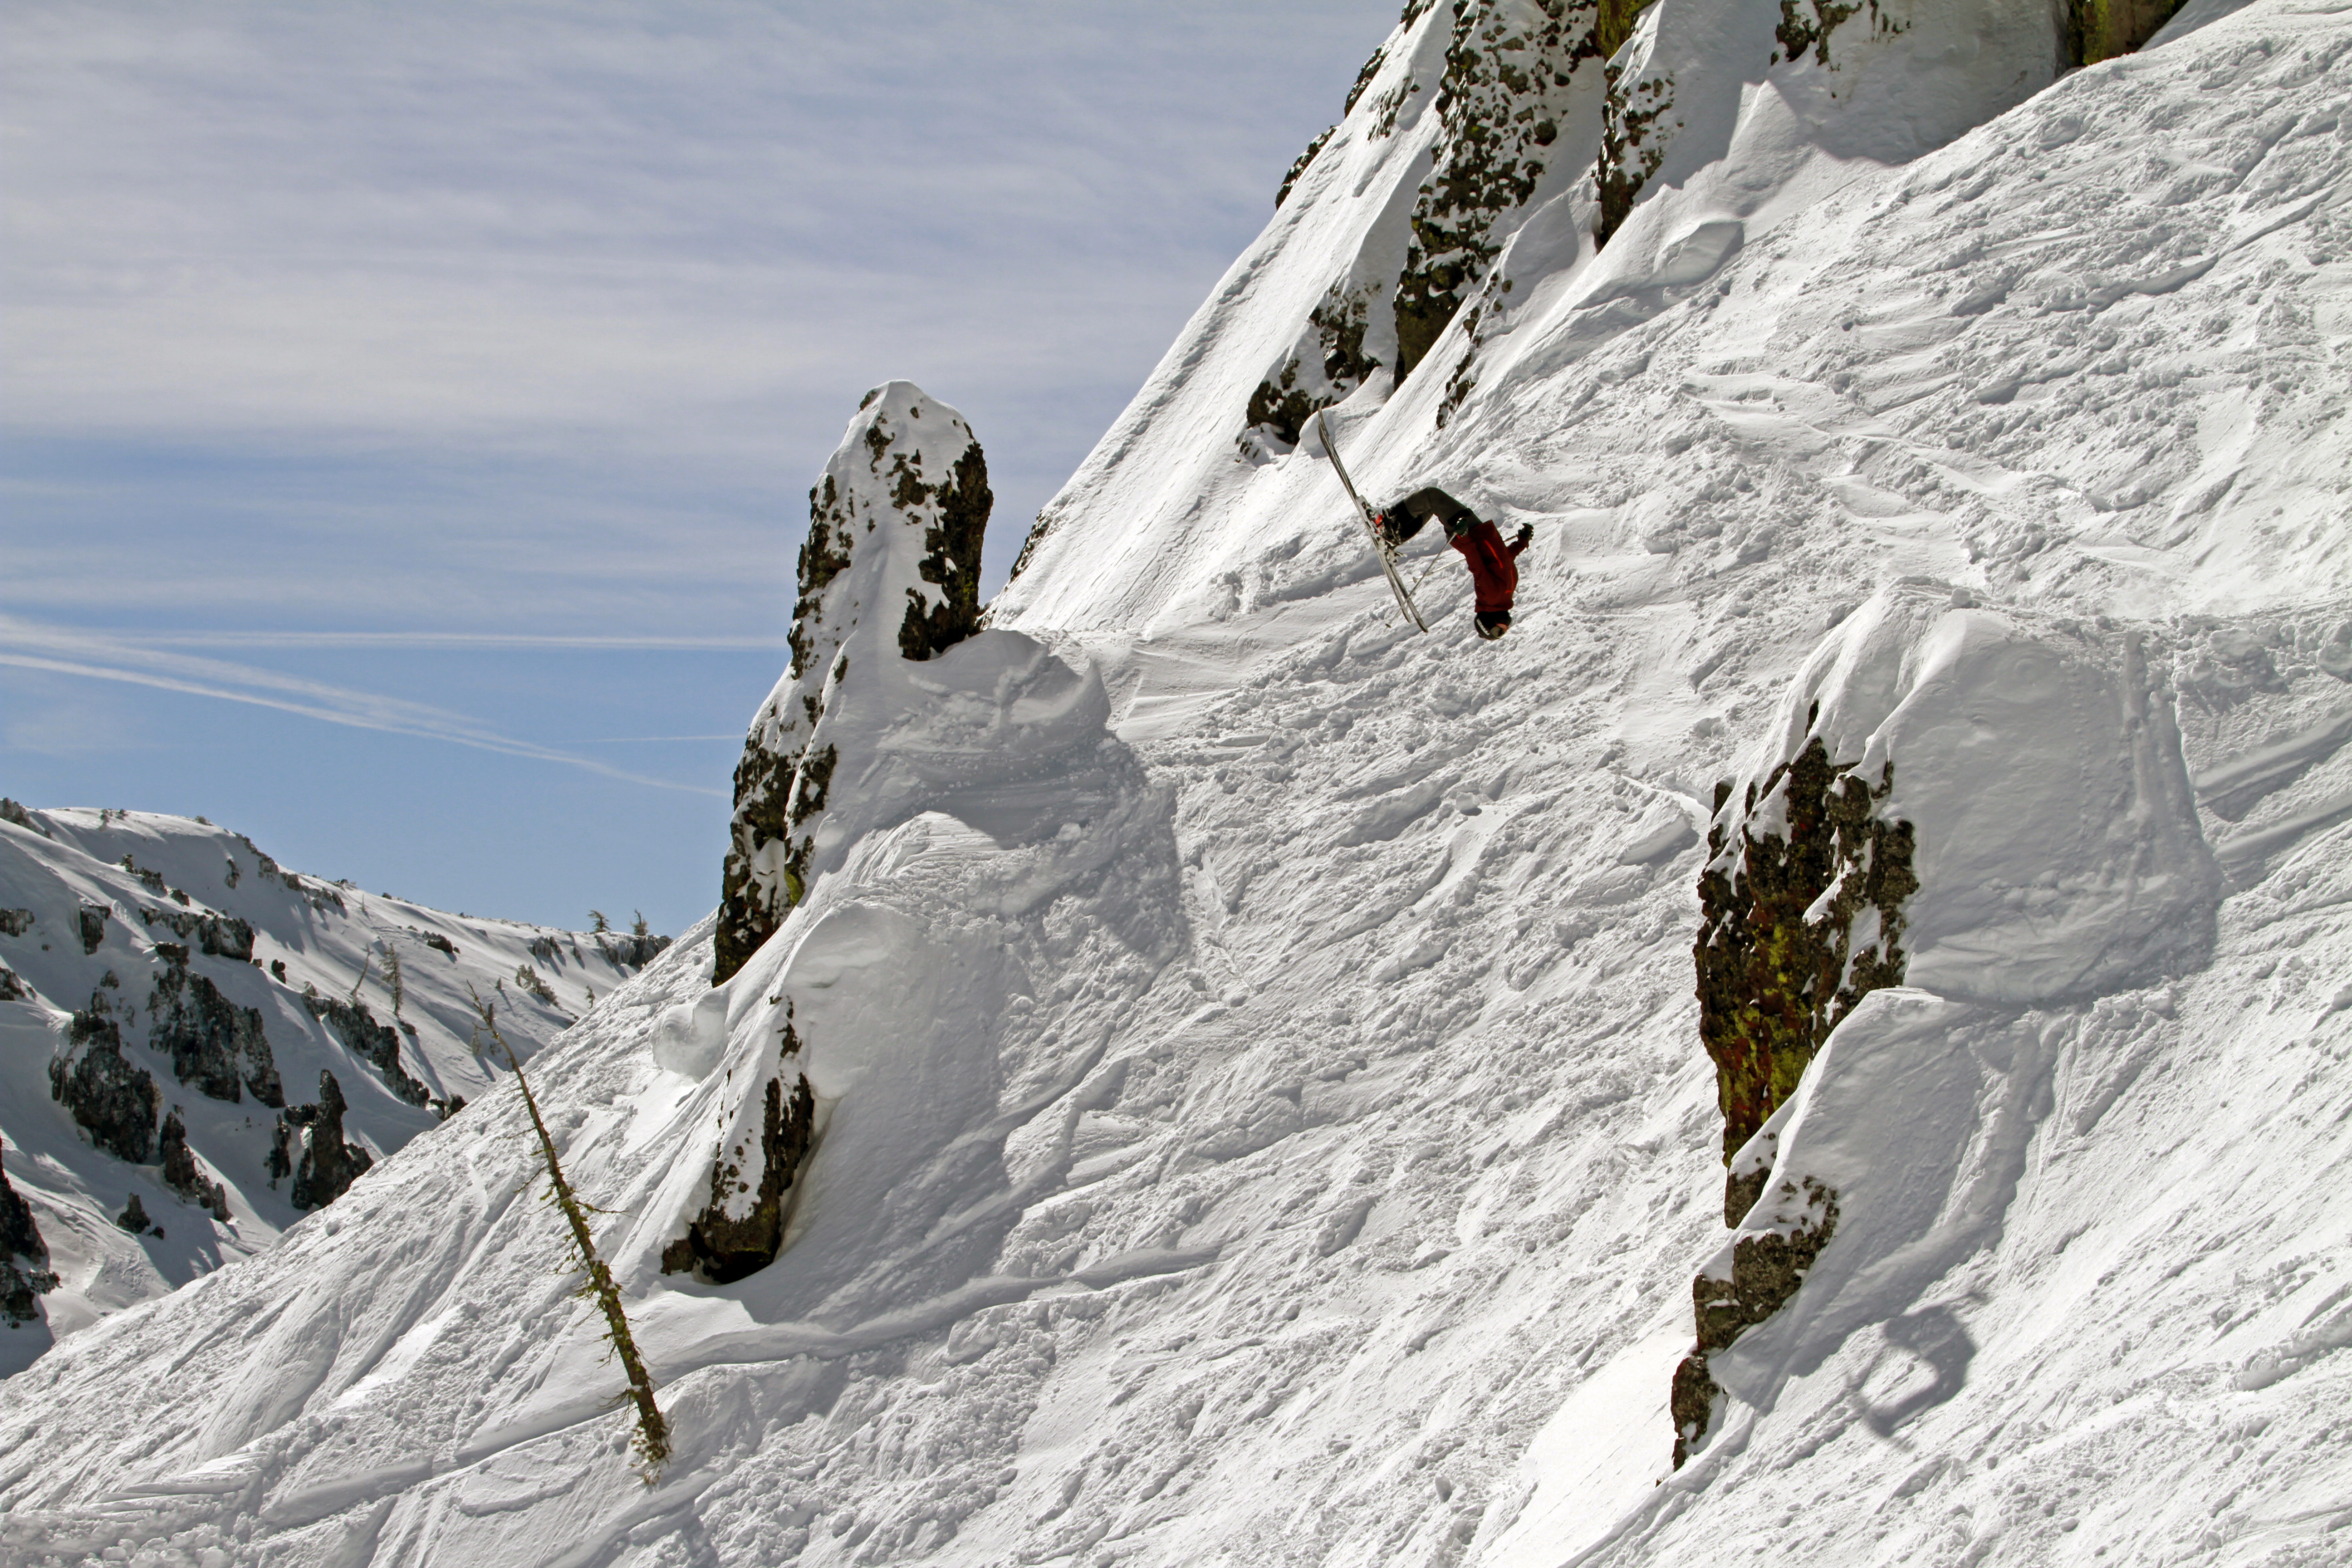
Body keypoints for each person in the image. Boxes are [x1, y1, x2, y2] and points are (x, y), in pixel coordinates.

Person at [1374, 487, 1533, 640]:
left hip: (1470, 535)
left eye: (1498, 632)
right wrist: (1522, 542)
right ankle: (1395, 534)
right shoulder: (1505, 595)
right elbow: (1504, 559)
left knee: (1432, 497)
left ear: (1487, 623)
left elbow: (1476, 564)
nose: (1505, 628)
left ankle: (1389, 527)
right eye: (1503, 632)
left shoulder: (1492, 597)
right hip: (1477, 532)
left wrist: (1463, 537)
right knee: (1431, 506)